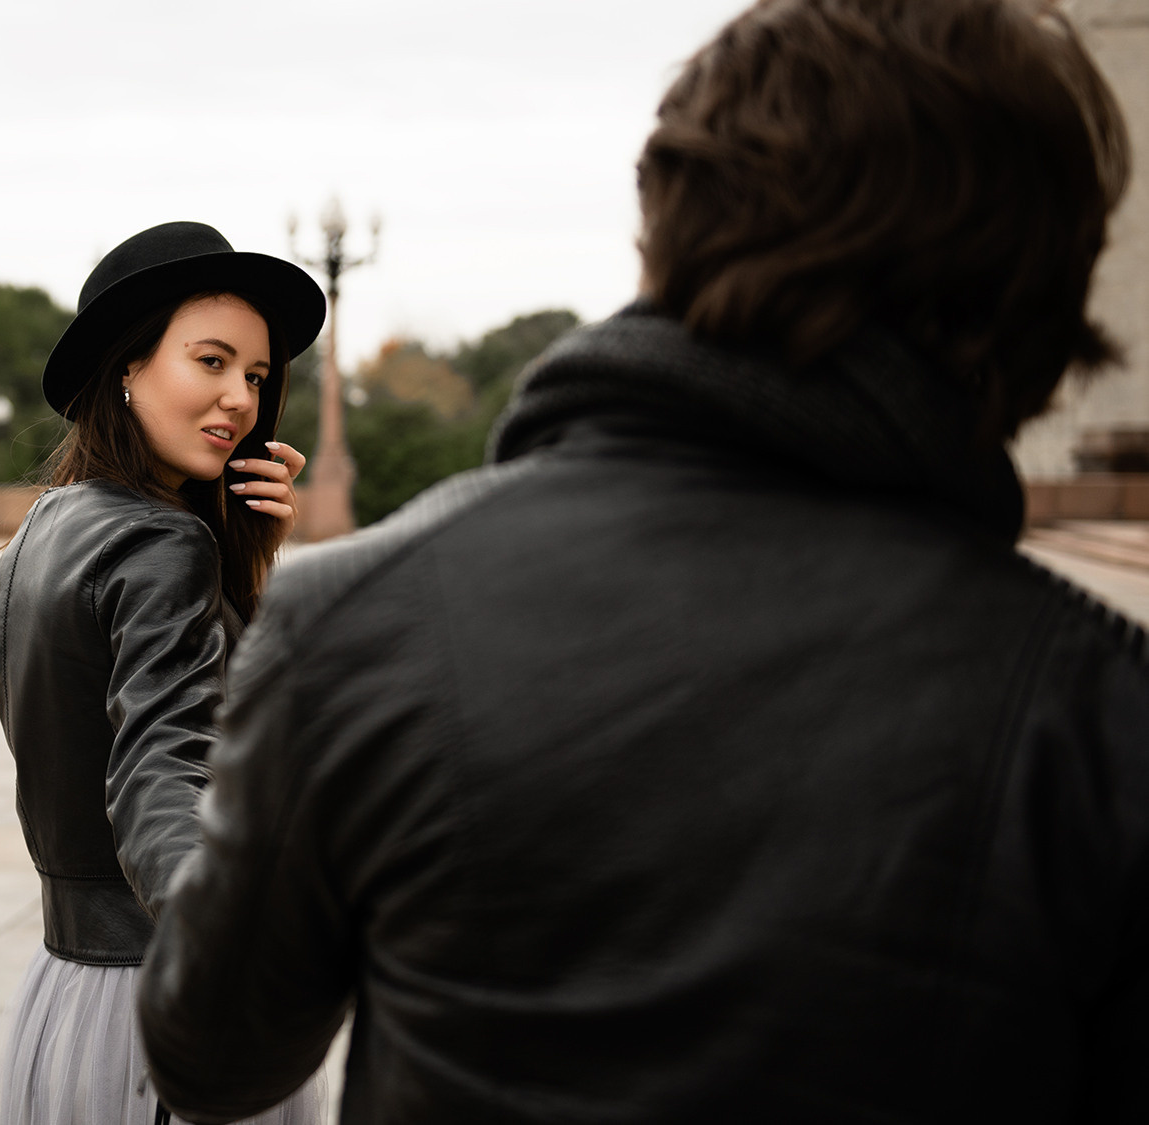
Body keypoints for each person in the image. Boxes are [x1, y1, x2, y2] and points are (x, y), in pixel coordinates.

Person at [137, 2, 1149, 1122]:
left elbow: (213, 1057)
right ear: (1045, 304)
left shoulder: (355, 615)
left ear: (667, 223)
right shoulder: (1103, 711)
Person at [0, 221, 328, 1125]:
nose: (240, 399)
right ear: (127, 366)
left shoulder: (40, 533)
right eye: (209, 361)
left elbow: (152, 729)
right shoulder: (165, 542)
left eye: (254, 375)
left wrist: (245, 562)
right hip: (166, 1001)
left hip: (65, 997)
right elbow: (162, 769)